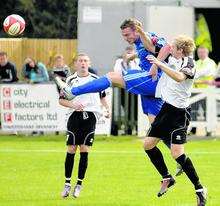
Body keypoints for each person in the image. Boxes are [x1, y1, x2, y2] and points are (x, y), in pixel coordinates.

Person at [54, 18, 170, 124]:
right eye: (123, 35)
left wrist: (155, 65)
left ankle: (72, 91)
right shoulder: (138, 43)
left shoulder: (148, 36)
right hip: (152, 85)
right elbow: (149, 50)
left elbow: (165, 47)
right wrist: (134, 55)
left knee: (111, 77)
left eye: (127, 34)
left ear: (137, 31)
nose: (125, 38)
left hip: (153, 79)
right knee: (156, 130)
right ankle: (173, 144)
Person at [144, 35, 207, 205]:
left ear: (180, 50)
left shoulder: (189, 64)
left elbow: (179, 77)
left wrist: (159, 64)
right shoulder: (172, 56)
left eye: (174, 47)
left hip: (180, 114)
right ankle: (167, 177)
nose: (170, 48)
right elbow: (160, 46)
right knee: (148, 145)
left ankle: (200, 189)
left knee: (177, 153)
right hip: (166, 110)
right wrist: (158, 60)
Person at [60, 53, 110, 198]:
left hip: (91, 116)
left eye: (85, 61)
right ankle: (67, 184)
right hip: (74, 116)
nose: (83, 63)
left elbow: (103, 97)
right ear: (75, 64)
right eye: (80, 61)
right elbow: (62, 100)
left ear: (89, 63)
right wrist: (73, 104)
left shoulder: (96, 79)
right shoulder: (70, 80)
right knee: (71, 148)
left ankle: (79, 184)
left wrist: (107, 109)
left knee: (84, 148)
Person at [190, 46, 217, 135]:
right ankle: (192, 130)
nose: (200, 54)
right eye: (199, 53)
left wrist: (197, 77)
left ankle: (208, 131)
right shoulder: (195, 62)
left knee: (206, 110)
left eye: (202, 52)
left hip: (207, 91)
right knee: (193, 110)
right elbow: (193, 74)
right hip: (195, 90)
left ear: (207, 53)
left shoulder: (211, 63)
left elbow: (203, 73)